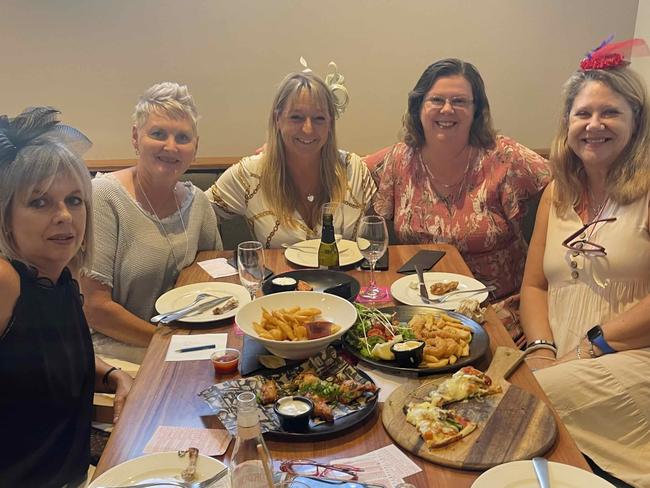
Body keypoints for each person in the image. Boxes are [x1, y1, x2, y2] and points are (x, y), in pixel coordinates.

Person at [520, 40, 650, 487]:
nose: (594, 125)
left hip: (632, 357)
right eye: (583, 113)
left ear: (637, 119)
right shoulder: (557, 192)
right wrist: (540, 350)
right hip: (558, 354)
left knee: (520, 403)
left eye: (610, 112)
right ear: (567, 124)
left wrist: (588, 349)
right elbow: (534, 286)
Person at [373, 58, 550, 345]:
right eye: (437, 100)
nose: (447, 109)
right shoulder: (400, 159)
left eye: (459, 101)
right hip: (419, 309)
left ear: (476, 111)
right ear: (418, 107)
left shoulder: (505, 157)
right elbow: (346, 166)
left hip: (496, 311)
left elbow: (566, 183)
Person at [0, 107, 133, 487]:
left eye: (74, 200)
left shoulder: (59, 279)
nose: (64, 216)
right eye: (39, 202)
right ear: (5, 214)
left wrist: (114, 375)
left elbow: (46, 359)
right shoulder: (6, 281)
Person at [82, 82, 223, 364]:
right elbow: (95, 308)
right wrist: (168, 342)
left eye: (183, 137)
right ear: (136, 137)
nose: (171, 146)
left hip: (182, 338)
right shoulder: (104, 197)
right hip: (116, 348)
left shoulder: (197, 202)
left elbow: (214, 272)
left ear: (195, 148)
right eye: (158, 134)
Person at [206, 70, 376, 247]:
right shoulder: (250, 175)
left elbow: (376, 241)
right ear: (277, 119)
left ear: (330, 123)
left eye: (319, 118)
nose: (308, 129)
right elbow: (199, 213)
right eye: (296, 117)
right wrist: (223, 263)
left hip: (347, 275)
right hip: (278, 275)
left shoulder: (354, 170)